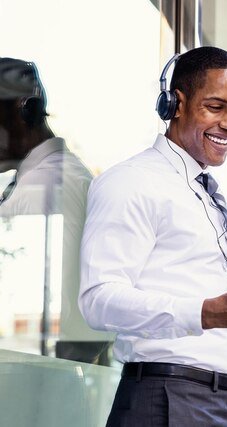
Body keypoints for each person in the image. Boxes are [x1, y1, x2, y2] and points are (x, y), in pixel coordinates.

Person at [78, 46, 227, 426]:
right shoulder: (132, 181)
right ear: (175, 104)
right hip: (170, 401)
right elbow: (98, 300)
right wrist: (211, 311)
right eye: (216, 107)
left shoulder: (203, 192)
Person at [0, 57, 112, 363]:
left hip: (37, 378)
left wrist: (54, 385)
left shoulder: (47, 186)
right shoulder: (46, 178)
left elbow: (68, 315)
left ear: (23, 110)